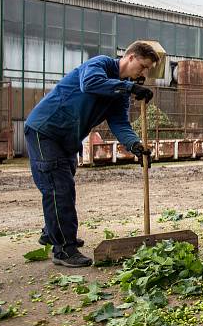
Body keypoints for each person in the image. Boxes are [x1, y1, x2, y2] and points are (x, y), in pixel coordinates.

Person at [24, 41, 159, 267]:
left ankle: (53, 232)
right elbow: (90, 84)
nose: (144, 73)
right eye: (143, 67)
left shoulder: (120, 92)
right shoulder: (100, 65)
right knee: (59, 188)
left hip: (67, 138)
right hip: (46, 130)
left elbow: (119, 123)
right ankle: (64, 249)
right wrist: (130, 88)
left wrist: (135, 145)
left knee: (63, 186)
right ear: (131, 57)